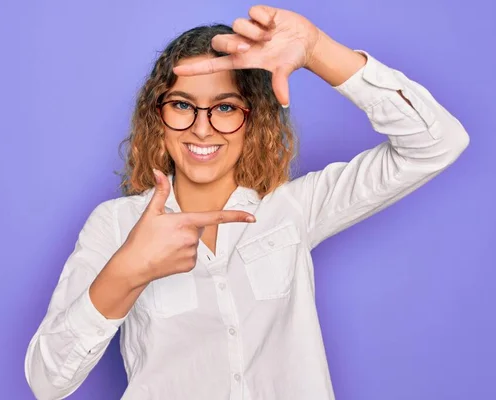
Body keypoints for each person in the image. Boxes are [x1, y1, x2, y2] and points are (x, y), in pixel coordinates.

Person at [24, 5, 469, 400]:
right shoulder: (116, 225)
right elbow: (47, 382)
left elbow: (437, 142)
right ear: (156, 116)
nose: (202, 128)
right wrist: (126, 271)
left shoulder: (293, 209)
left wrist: (316, 49)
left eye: (225, 107)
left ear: (252, 118)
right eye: (182, 105)